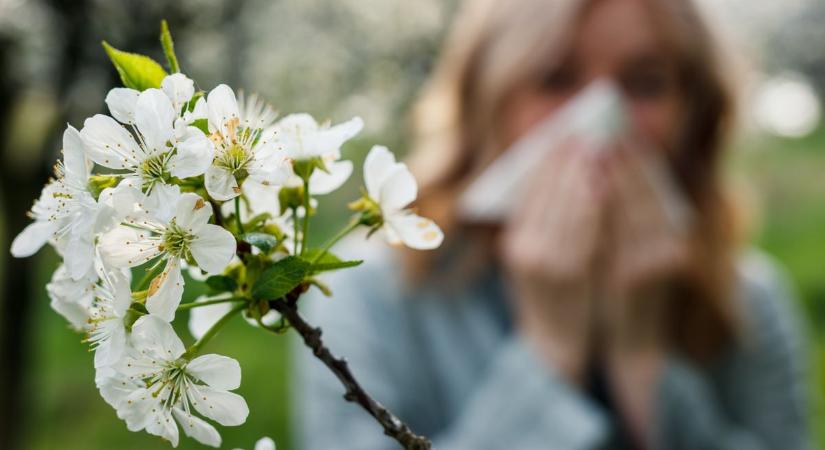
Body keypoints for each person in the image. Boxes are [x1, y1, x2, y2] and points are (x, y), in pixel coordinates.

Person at [293, 0, 811, 448]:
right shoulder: (370, 299)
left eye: (646, 83)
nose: (601, 115)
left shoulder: (747, 304)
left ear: (694, 114)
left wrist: (642, 357)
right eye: (555, 78)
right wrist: (550, 346)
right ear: (485, 102)